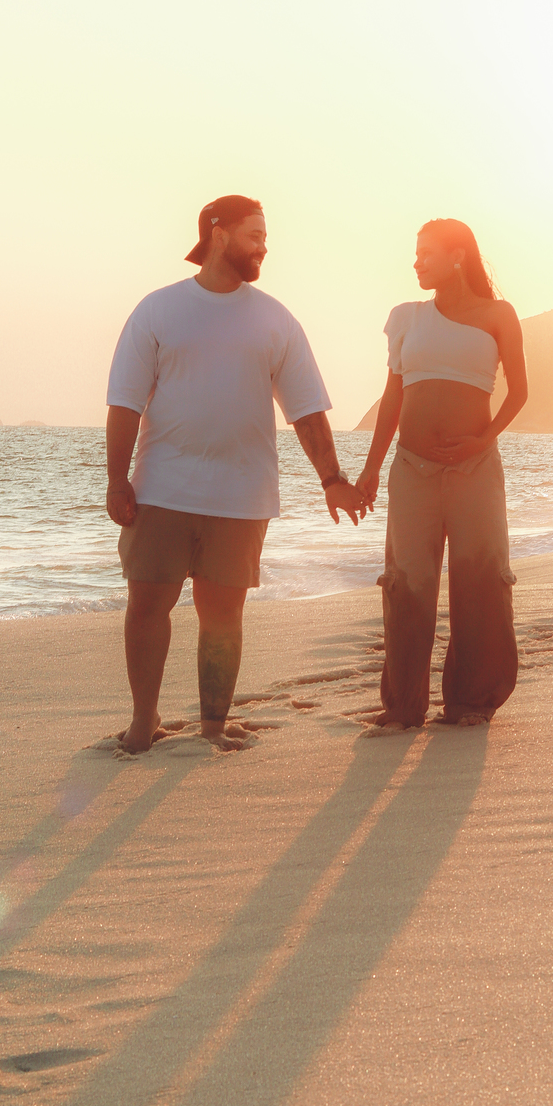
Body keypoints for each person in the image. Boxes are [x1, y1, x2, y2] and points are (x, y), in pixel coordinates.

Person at [105, 196, 366, 753]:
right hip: (161, 488)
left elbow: (306, 410)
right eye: (255, 235)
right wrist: (116, 479)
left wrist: (332, 478)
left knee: (222, 613)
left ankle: (213, 726)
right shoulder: (158, 310)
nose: (264, 247)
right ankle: (143, 721)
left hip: (243, 493)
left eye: (265, 237)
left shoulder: (275, 318)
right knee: (148, 605)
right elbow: (124, 403)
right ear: (218, 234)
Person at [355, 219, 528, 729]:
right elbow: (392, 399)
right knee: (406, 584)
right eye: (415, 253)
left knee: (481, 581)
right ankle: (403, 706)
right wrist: (370, 470)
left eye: (426, 253)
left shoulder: (499, 315)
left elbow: (519, 391)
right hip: (412, 467)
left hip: (475, 468)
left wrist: (485, 437)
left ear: (458, 256)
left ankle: (471, 700)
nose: (416, 262)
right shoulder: (406, 318)